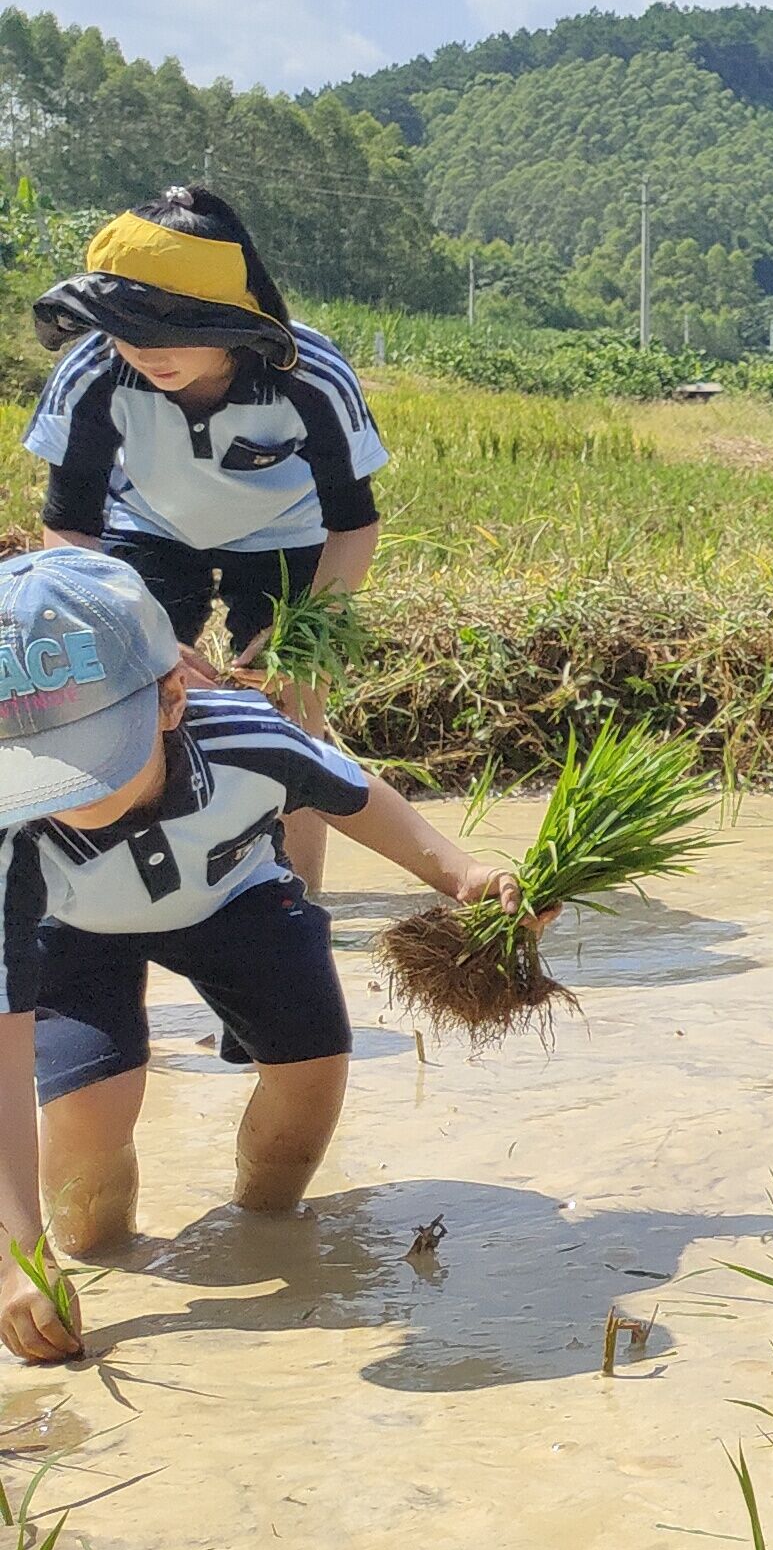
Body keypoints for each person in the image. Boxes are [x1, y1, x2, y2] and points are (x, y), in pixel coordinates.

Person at [0, 547, 528, 1356]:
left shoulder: (250, 738)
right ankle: (100, 1258)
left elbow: (352, 795)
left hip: (234, 898)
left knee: (312, 1072)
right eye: (36, 768)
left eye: (85, 761)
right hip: (75, 933)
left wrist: (459, 872)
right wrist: (17, 1254)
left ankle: (265, 1220)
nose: (61, 795)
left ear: (171, 700)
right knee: (84, 1136)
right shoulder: (10, 832)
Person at [26, 187, 392, 888]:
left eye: (171, 332)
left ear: (230, 320)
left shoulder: (306, 373)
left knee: (294, 712)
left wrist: (305, 629)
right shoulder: (96, 374)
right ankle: (140, 893)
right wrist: (137, 636)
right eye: (126, 330)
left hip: (288, 535)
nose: (147, 353)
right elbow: (69, 524)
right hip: (148, 530)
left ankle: (295, 898)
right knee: (133, 702)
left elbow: (354, 522)